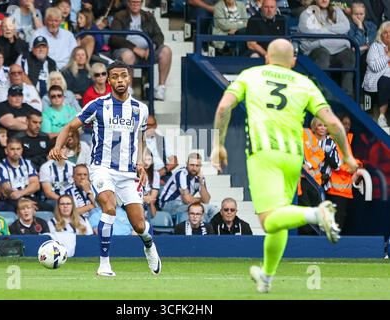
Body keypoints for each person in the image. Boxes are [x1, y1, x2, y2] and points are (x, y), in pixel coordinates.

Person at [210, 38, 358, 293]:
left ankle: (316, 214)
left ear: (267, 57)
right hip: (293, 159)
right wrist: (347, 155)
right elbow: (333, 122)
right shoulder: (304, 83)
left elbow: (224, 106)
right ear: (293, 62)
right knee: (278, 217)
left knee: (269, 221)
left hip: (263, 154)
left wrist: (218, 144)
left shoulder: (251, 75)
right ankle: (266, 276)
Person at [49, 60, 162, 276]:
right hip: (102, 168)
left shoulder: (141, 109)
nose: (120, 80)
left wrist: (140, 163)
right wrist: (57, 146)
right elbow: (70, 126)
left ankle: (149, 245)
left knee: (139, 226)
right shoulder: (98, 105)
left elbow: (140, 138)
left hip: (127, 173)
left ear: (129, 78)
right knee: (108, 208)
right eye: (115, 77)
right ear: (108, 80)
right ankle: (104, 264)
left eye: (123, 76)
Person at [109, 0, 173, 101]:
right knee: (128, 55)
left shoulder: (148, 16)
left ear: (142, 3)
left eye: (138, 2)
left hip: (147, 52)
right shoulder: (120, 16)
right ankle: (127, 89)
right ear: (128, 3)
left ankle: (161, 88)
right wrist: (135, 48)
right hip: (127, 50)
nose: (135, 5)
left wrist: (152, 46)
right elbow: (114, 38)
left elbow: (159, 35)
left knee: (166, 51)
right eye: (133, 2)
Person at [298, 0, 355, 98]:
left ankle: (347, 98)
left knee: (349, 55)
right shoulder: (306, 14)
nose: (324, 0)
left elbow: (346, 27)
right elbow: (312, 34)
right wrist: (335, 33)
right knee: (323, 53)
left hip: (336, 50)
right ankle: (322, 96)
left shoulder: (337, 11)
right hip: (315, 50)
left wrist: (324, 31)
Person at [0, 137, 51, 211]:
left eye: (18, 149)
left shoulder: (28, 164)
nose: (15, 152)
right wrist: (24, 201)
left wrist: (21, 194)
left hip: (29, 197)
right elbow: (7, 191)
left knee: (49, 208)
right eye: (12, 149)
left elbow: (36, 185)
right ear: (6, 151)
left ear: (22, 150)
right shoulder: (1, 167)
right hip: (11, 201)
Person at [158, 152, 217, 223]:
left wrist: (201, 182)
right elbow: (187, 200)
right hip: (169, 204)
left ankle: (214, 232)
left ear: (200, 166)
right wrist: (200, 199)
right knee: (201, 210)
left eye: (197, 165)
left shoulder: (199, 177)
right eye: (192, 165)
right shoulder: (181, 174)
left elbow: (206, 200)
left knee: (213, 209)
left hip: (184, 205)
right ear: (187, 164)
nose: (194, 168)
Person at [363, 21, 390, 129]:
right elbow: (375, 67)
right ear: (381, 35)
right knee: (386, 80)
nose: (388, 35)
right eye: (385, 32)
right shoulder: (375, 46)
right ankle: (381, 116)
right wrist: (388, 55)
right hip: (376, 80)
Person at [145, 114, 178, 183]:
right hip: (144, 174)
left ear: (155, 125)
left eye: (150, 125)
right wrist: (152, 178)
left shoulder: (162, 140)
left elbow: (174, 161)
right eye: (146, 125)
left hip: (162, 174)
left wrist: (159, 173)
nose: (148, 127)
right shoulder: (137, 141)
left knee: (173, 189)